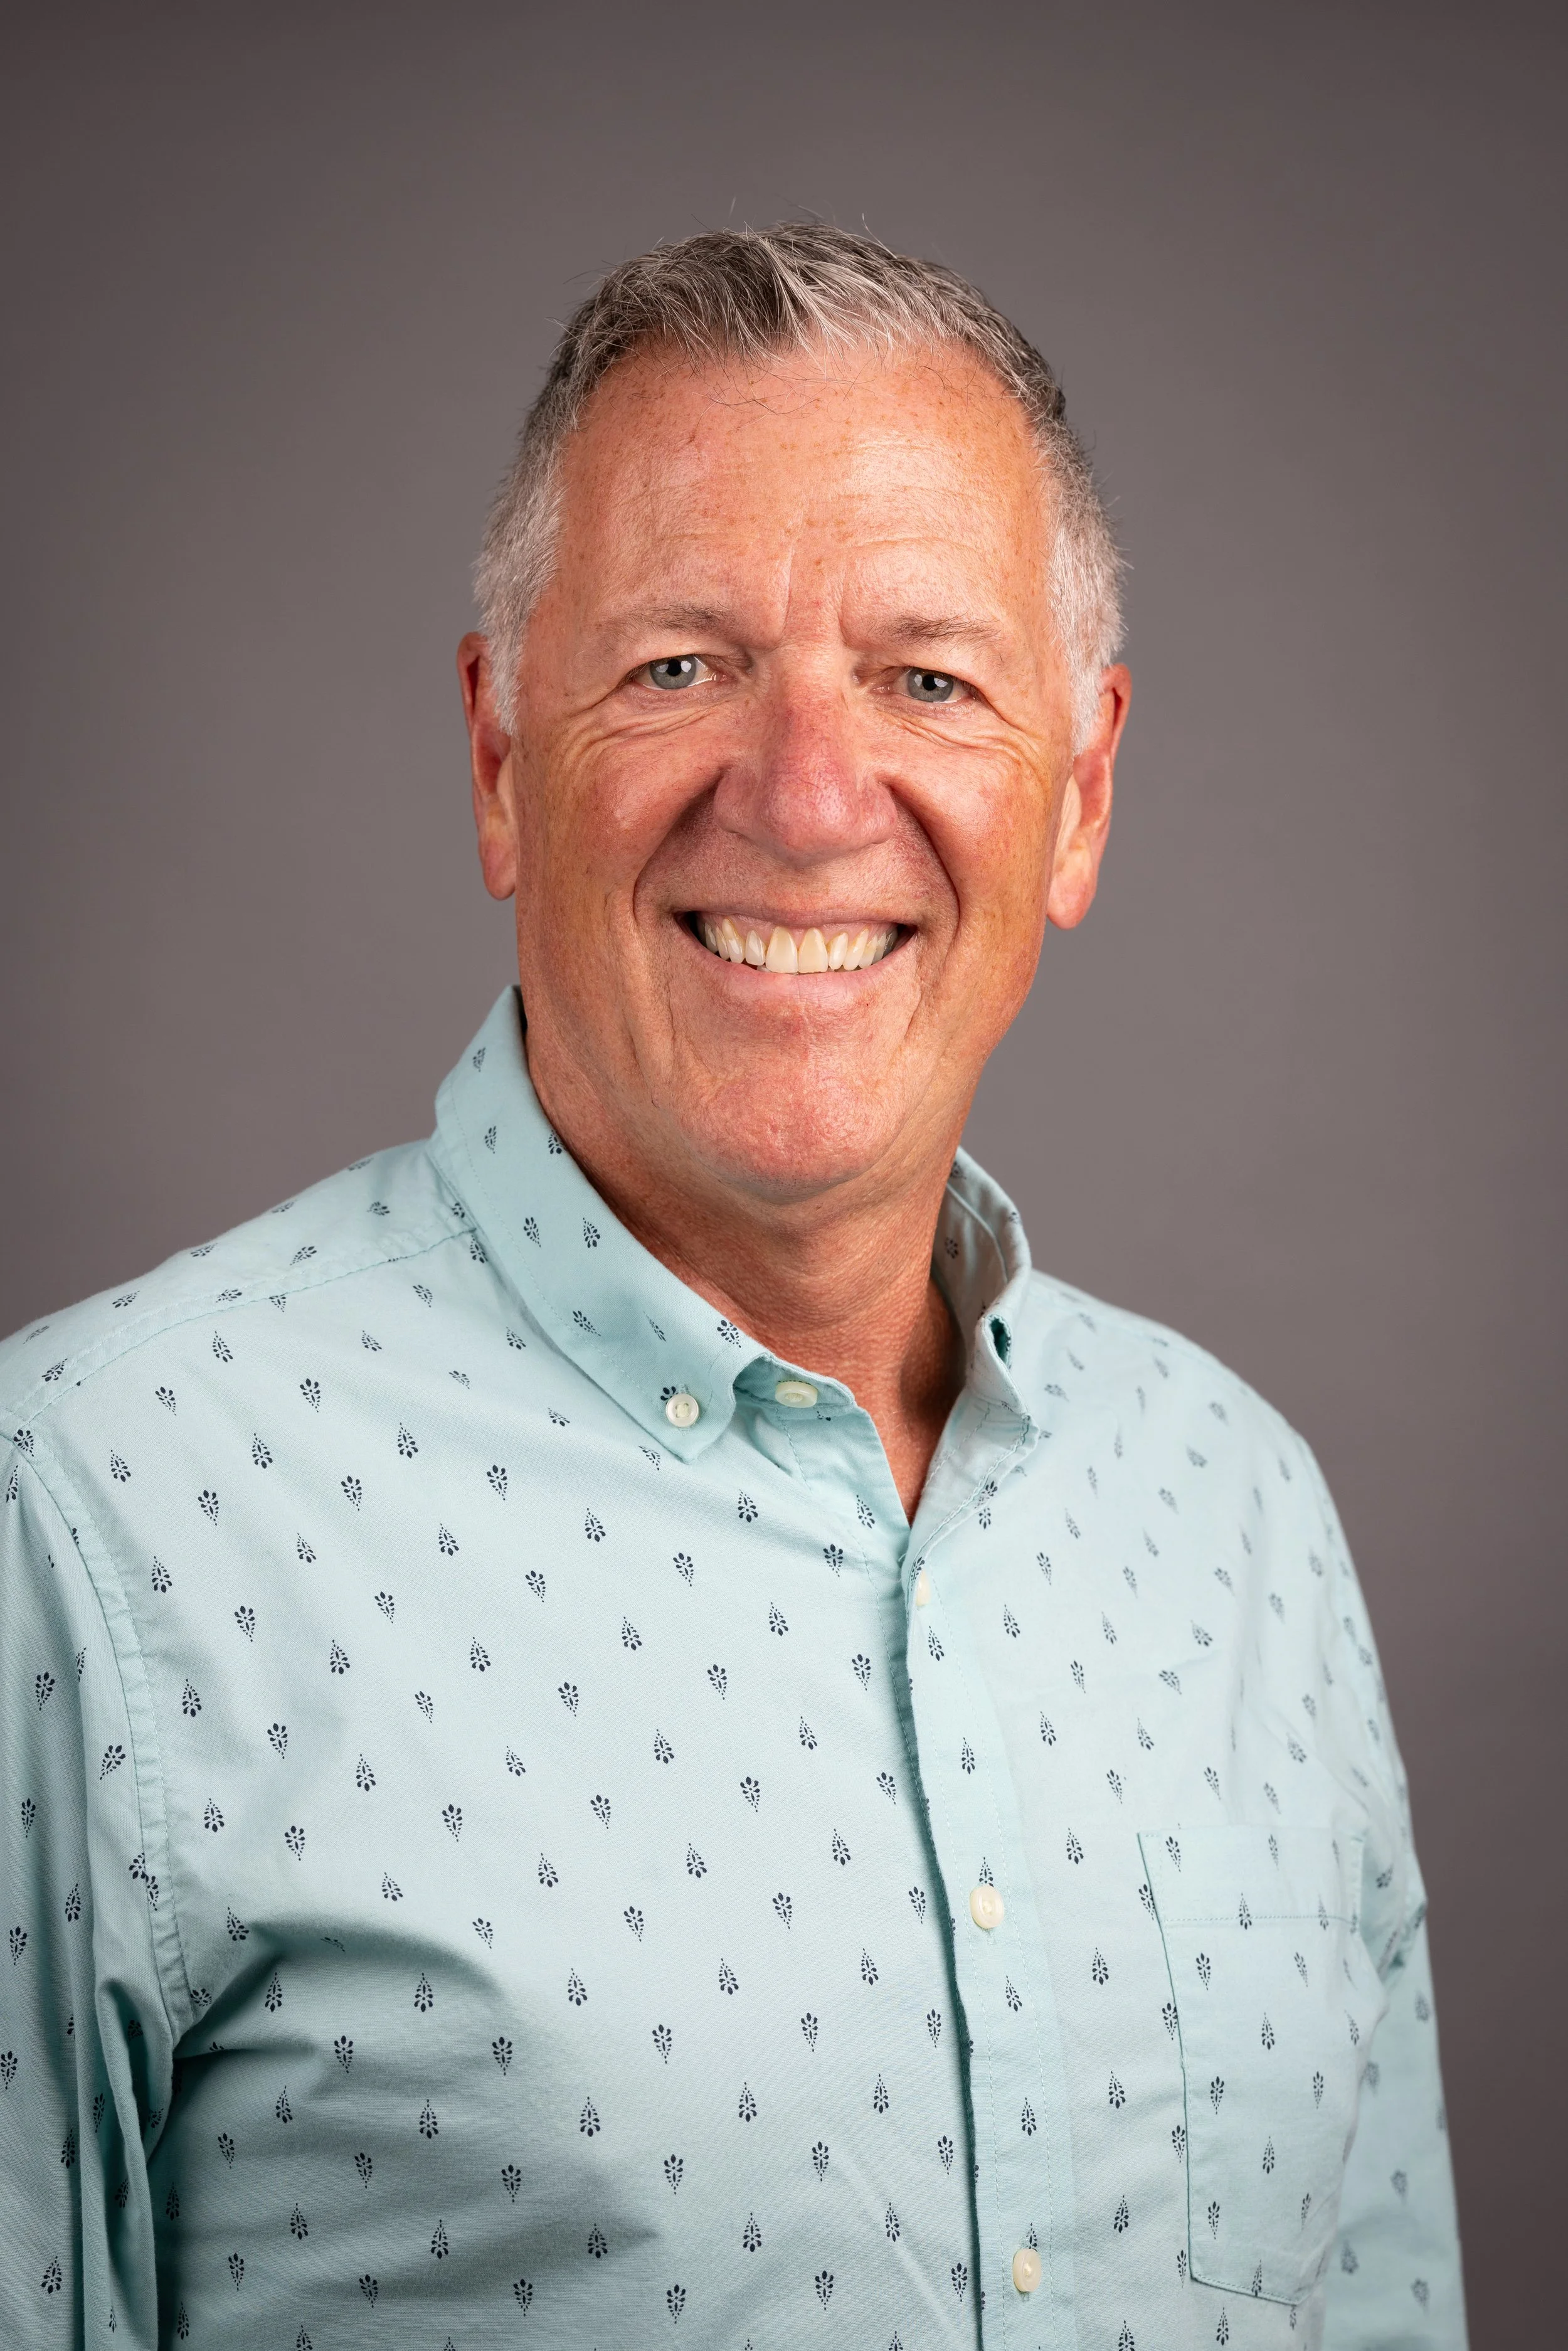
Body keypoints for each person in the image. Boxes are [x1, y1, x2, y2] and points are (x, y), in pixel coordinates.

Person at [0, 223, 1465, 2349]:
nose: (800, 796)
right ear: (504, 756)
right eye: (678, 662)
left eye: (927, 679)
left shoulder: (1240, 1515)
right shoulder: (85, 1514)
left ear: (1083, 790)